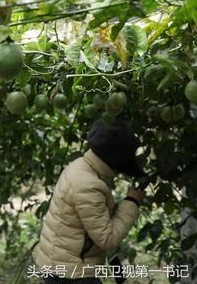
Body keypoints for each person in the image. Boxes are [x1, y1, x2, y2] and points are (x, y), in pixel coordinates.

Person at [33, 119, 147, 283]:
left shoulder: (81, 165)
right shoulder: (88, 186)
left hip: (59, 262)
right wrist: (132, 201)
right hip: (71, 272)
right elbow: (107, 239)